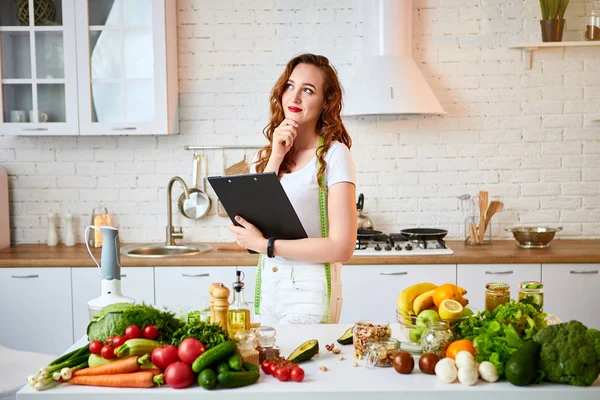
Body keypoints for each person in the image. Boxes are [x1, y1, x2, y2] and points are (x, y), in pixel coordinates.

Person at [229, 53, 357, 325]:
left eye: (308, 90)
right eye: (290, 86)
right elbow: (253, 227)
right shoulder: (265, 157)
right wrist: (276, 156)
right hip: (269, 288)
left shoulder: (334, 155)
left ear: (326, 102)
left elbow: (342, 247)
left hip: (311, 292)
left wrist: (266, 245)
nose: (295, 97)